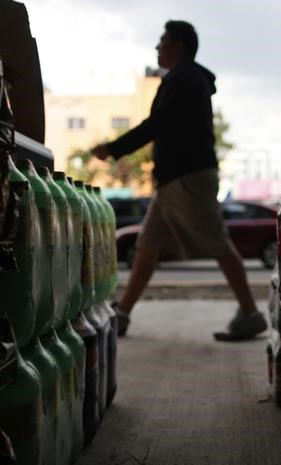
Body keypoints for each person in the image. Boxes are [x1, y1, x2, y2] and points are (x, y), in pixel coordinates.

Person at [92, 20, 267, 342]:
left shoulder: (183, 78)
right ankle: (123, 314)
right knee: (148, 244)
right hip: (176, 179)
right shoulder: (187, 78)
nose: (157, 47)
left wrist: (114, 149)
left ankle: (251, 313)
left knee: (217, 242)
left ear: (178, 46)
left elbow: (156, 124)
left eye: (162, 41)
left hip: (188, 177)